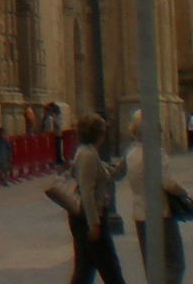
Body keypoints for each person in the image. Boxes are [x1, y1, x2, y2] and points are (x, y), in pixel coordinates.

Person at [123, 110, 186, 284]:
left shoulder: (131, 154)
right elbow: (168, 183)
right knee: (174, 263)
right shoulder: (156, 153)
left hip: (140, 214)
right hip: (160, 215)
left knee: (152, 265)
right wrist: (183, 192)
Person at [69, 111, 129, 284]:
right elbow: (87, 191)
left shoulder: (87, 152)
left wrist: (125, 163)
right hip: (89, 218)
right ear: (98, 134)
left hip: (85, 217)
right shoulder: (87, 155)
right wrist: (93, 223)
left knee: (85, 269)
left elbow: (108, 174)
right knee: (110, 268)